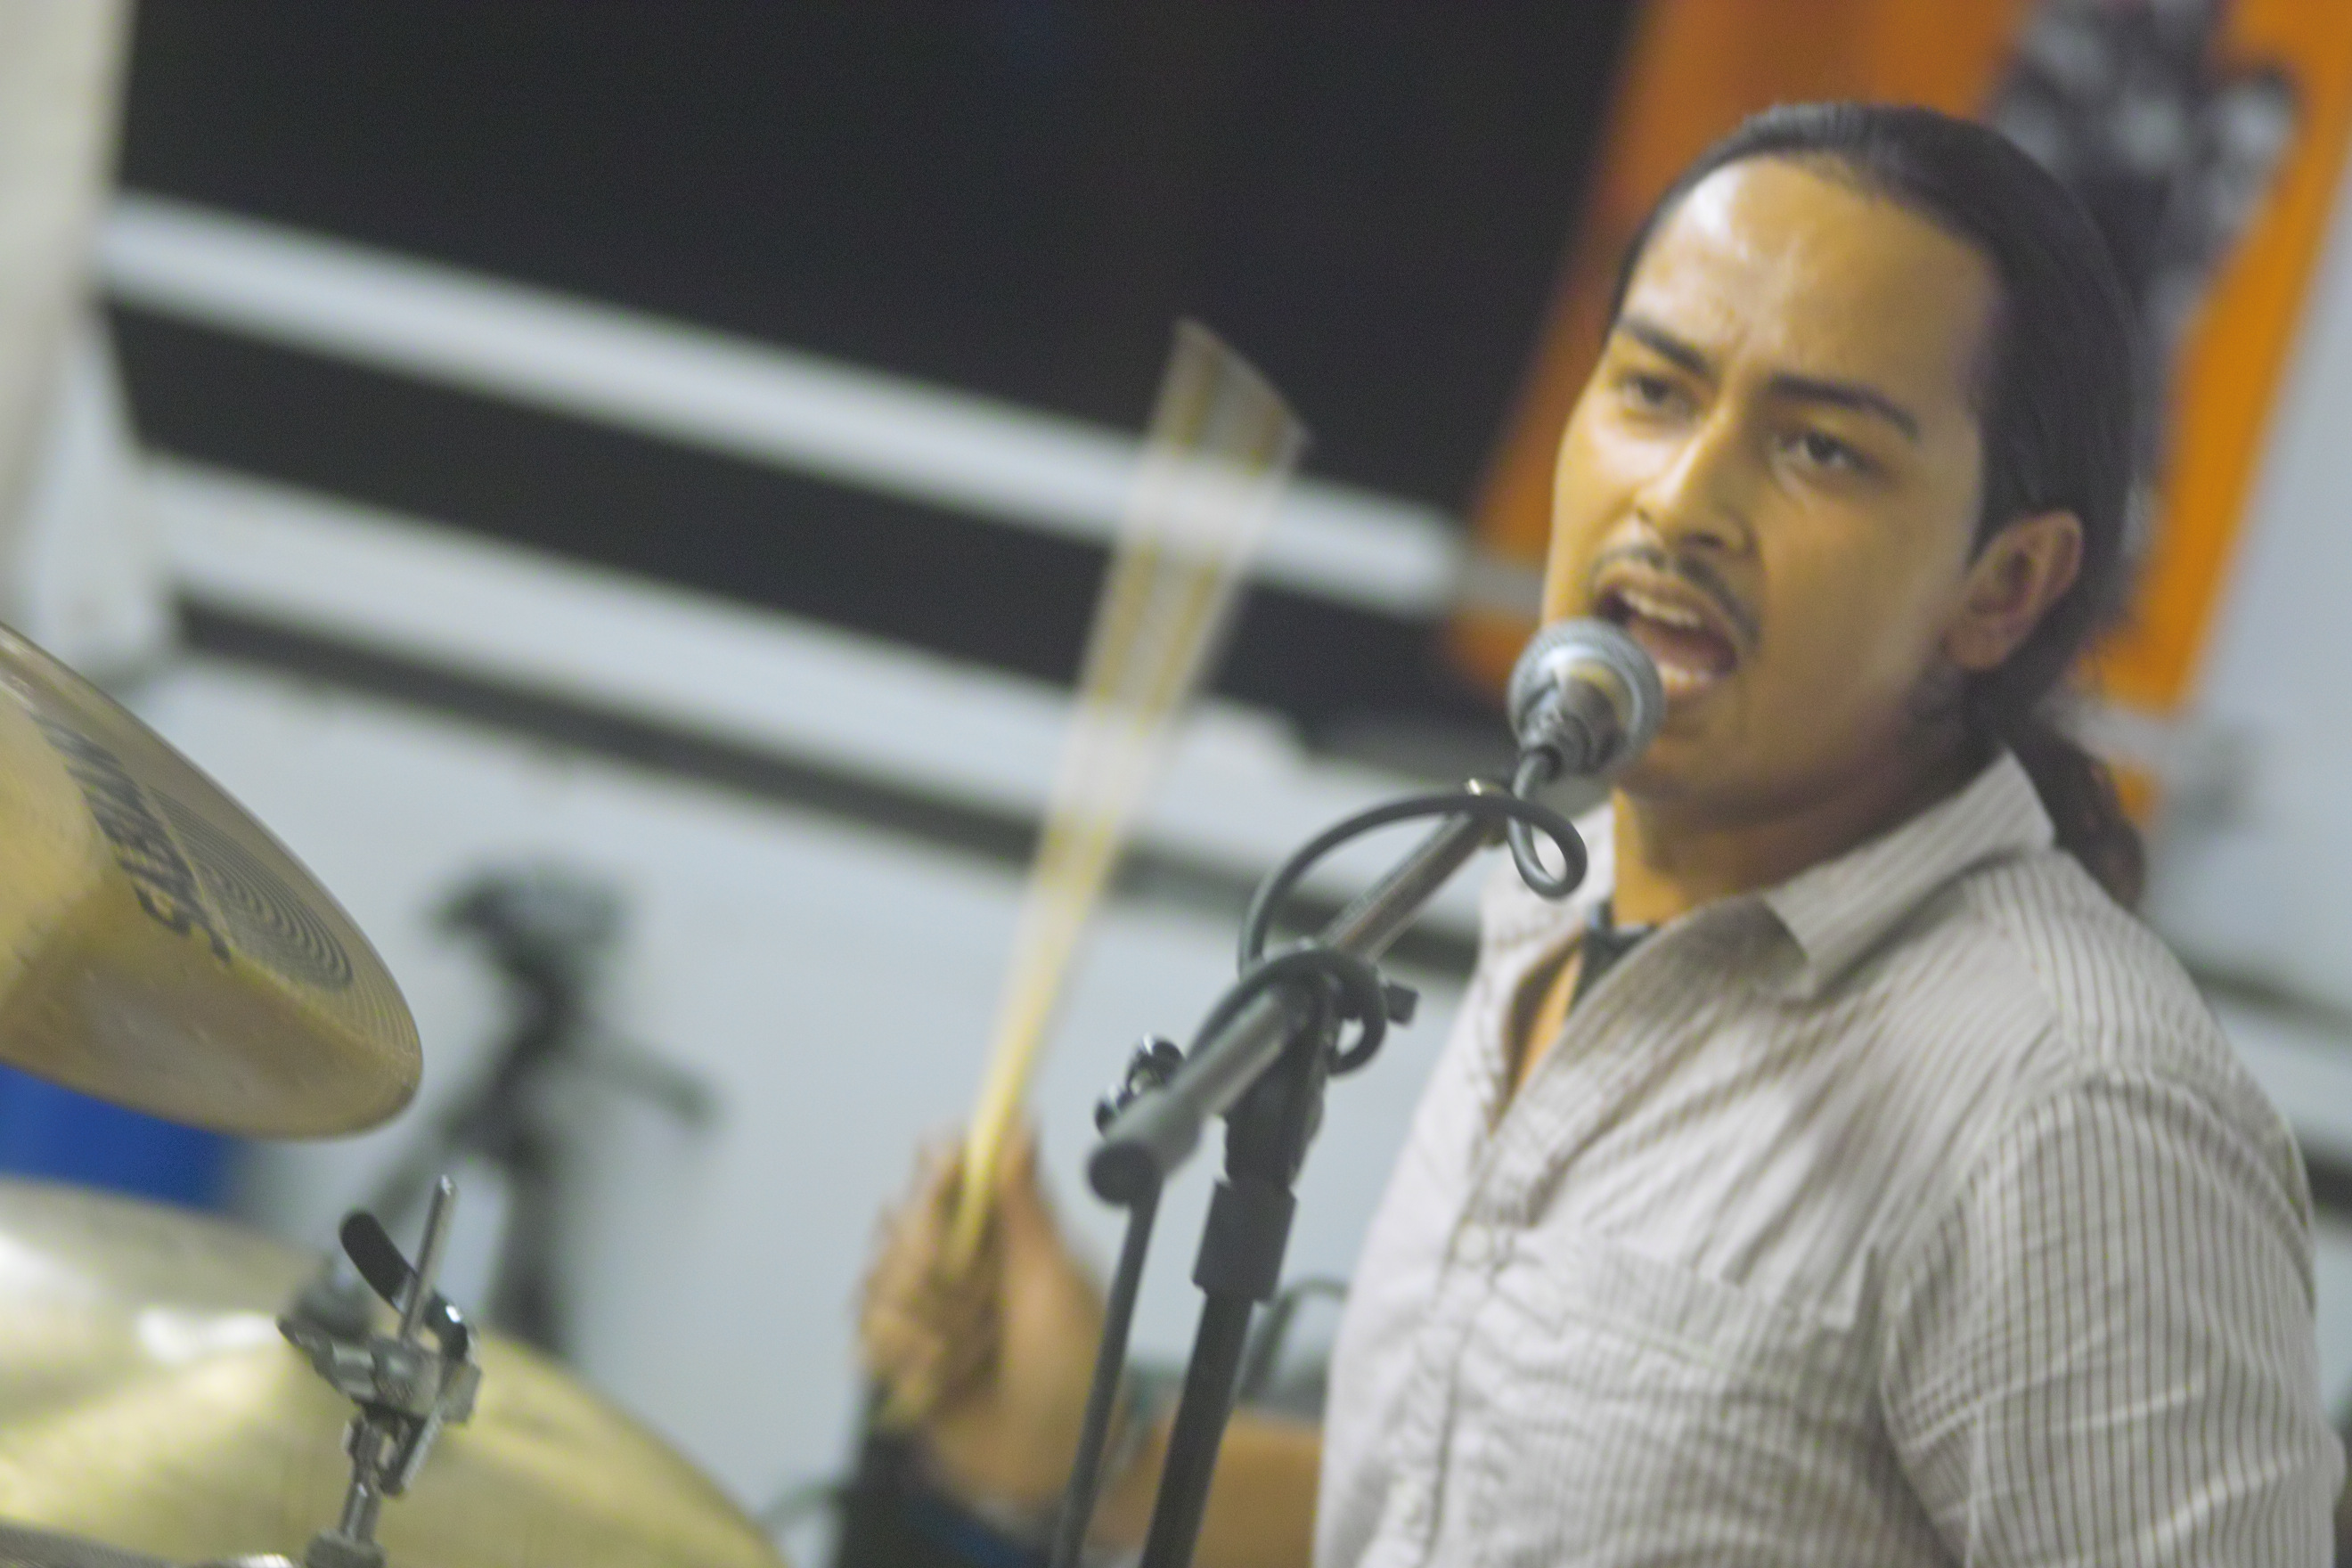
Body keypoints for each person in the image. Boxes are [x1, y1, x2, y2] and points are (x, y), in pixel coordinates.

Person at [859, 102, 2344, 1564]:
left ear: (2003, 589)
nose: (1682, 498)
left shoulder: (2071, 1109)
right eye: (1653, 390)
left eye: (1822, 450)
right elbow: (1472, 1510)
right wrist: (1097, 1448)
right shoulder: (1561, 904)